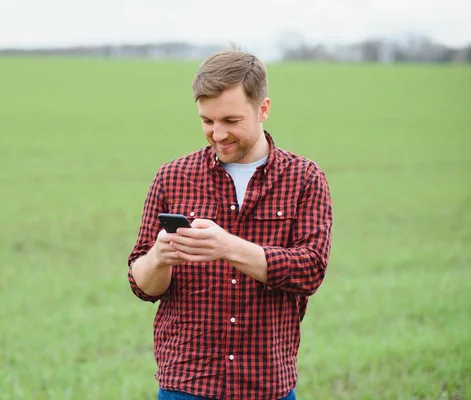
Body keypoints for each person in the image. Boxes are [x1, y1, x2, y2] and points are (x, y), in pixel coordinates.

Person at [127, 49, 333, 400]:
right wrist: (158, 258)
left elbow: (309, 270)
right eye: (207, 121)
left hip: (266, 384)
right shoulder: (173, 177)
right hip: (186, 385)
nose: (217, 133)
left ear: (263, 109)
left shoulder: (305, 178)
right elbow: (142, 285)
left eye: (231, 121)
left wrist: (228, 247)